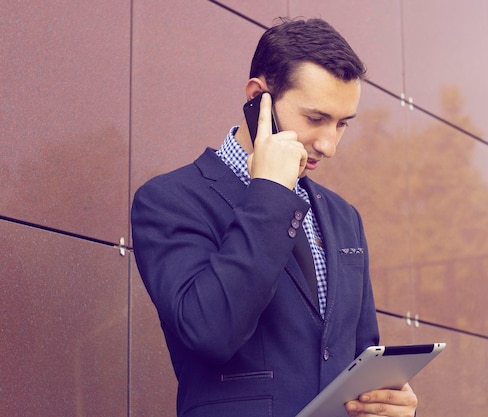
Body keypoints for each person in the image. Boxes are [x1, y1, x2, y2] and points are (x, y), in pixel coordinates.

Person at [131, 17, 418, 417]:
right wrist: (270, 192)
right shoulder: (169, 200)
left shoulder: (343, 217)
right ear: (257, 97)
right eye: (316, 119)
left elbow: (358, 361)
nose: (328, 145)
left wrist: (388, 406)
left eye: (341, 125)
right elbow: (210, 331)